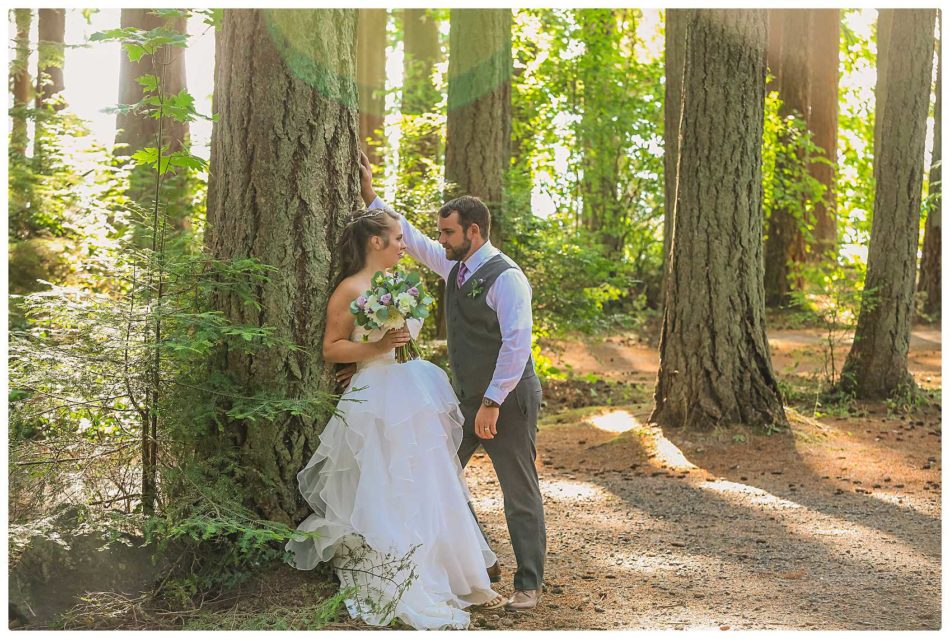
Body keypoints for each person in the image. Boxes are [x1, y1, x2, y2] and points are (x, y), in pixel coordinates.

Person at [285, 206, 506, 630]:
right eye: (399, 239)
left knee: (426, 481)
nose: (407, 246)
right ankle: (390, 567)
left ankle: (440, 566)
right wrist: (374, 348)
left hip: (408, 389)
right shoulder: (350, 289)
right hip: (371, 395)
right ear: (376, 243)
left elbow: (401, 341)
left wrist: (394, 343)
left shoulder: (398, 285)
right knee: (381, 482)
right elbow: (332, 348)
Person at [357, 152, 546, 611]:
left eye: (449, 232)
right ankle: (483, 559)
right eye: (441, 232)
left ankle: (529, 583)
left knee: (518, 487)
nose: (440, 239)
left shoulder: (506, 278)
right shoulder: (458, 267)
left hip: (507, 398)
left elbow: (517, 345)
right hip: (466, 399)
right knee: (438, 472)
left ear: (473, 232)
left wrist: (492, 402)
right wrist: (371, 194)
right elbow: (417, 244)